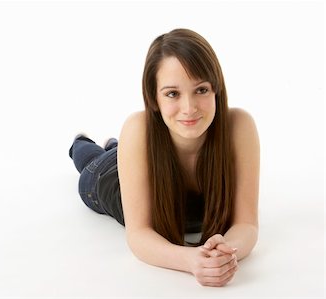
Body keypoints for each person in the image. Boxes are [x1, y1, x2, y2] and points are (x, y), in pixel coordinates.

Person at [68, 28, 260, 287]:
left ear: (216, 89)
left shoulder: (240, 126)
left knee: (118, 147)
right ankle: (82, 143)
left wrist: (226, 251)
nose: (189, 108)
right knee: (90, 159)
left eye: (201, 90)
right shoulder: (138, 126)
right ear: (154, 98)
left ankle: (116, 146)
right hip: (106, 177)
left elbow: (246, 224)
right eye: (173, 94)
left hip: (140, 154)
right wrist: (191, 260)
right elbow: (139, 235)